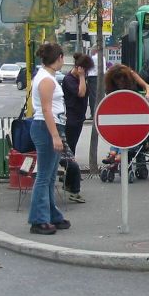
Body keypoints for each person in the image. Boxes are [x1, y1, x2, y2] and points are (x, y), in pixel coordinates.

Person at [27, 43, 70, 235]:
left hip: (48, 127)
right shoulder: (47, 80)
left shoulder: (46, 76)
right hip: (46, 128)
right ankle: (38, 219)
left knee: (50, 176)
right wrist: (55, 136)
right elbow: (46, 110)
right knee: (44, 176)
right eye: (63, 58)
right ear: (59, 57)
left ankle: (51, 215)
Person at [101, 63, 149, 164]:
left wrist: (147, 94)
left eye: (121, 79)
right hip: (121, 111)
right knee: (119, 131)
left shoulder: (131, 74)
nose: (119, 83)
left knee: (125, 132)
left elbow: (147, 86)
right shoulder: (110, 84)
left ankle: (117, 154)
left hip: (135, 110)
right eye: (116, 80)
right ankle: (113, 153)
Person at [60, 52, 94, 203]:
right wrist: (81, 77)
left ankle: (68, 181)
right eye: (85, 70)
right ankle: (72, 185)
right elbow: (81, 93)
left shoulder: (80, 78)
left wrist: (82, 77)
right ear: (80, 68)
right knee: (69, 153)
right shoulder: (69, 79)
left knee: (71, 150)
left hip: (78, 118)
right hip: (71, 119)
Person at [86, 46, 105, 119]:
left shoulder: (93, 58)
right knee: (100, 94)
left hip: (93, 77)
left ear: (95, 50)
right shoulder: (102, 58)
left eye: (92, 50)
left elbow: (88, 67)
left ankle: (93, 113)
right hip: (101, 76)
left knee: (92, 96)